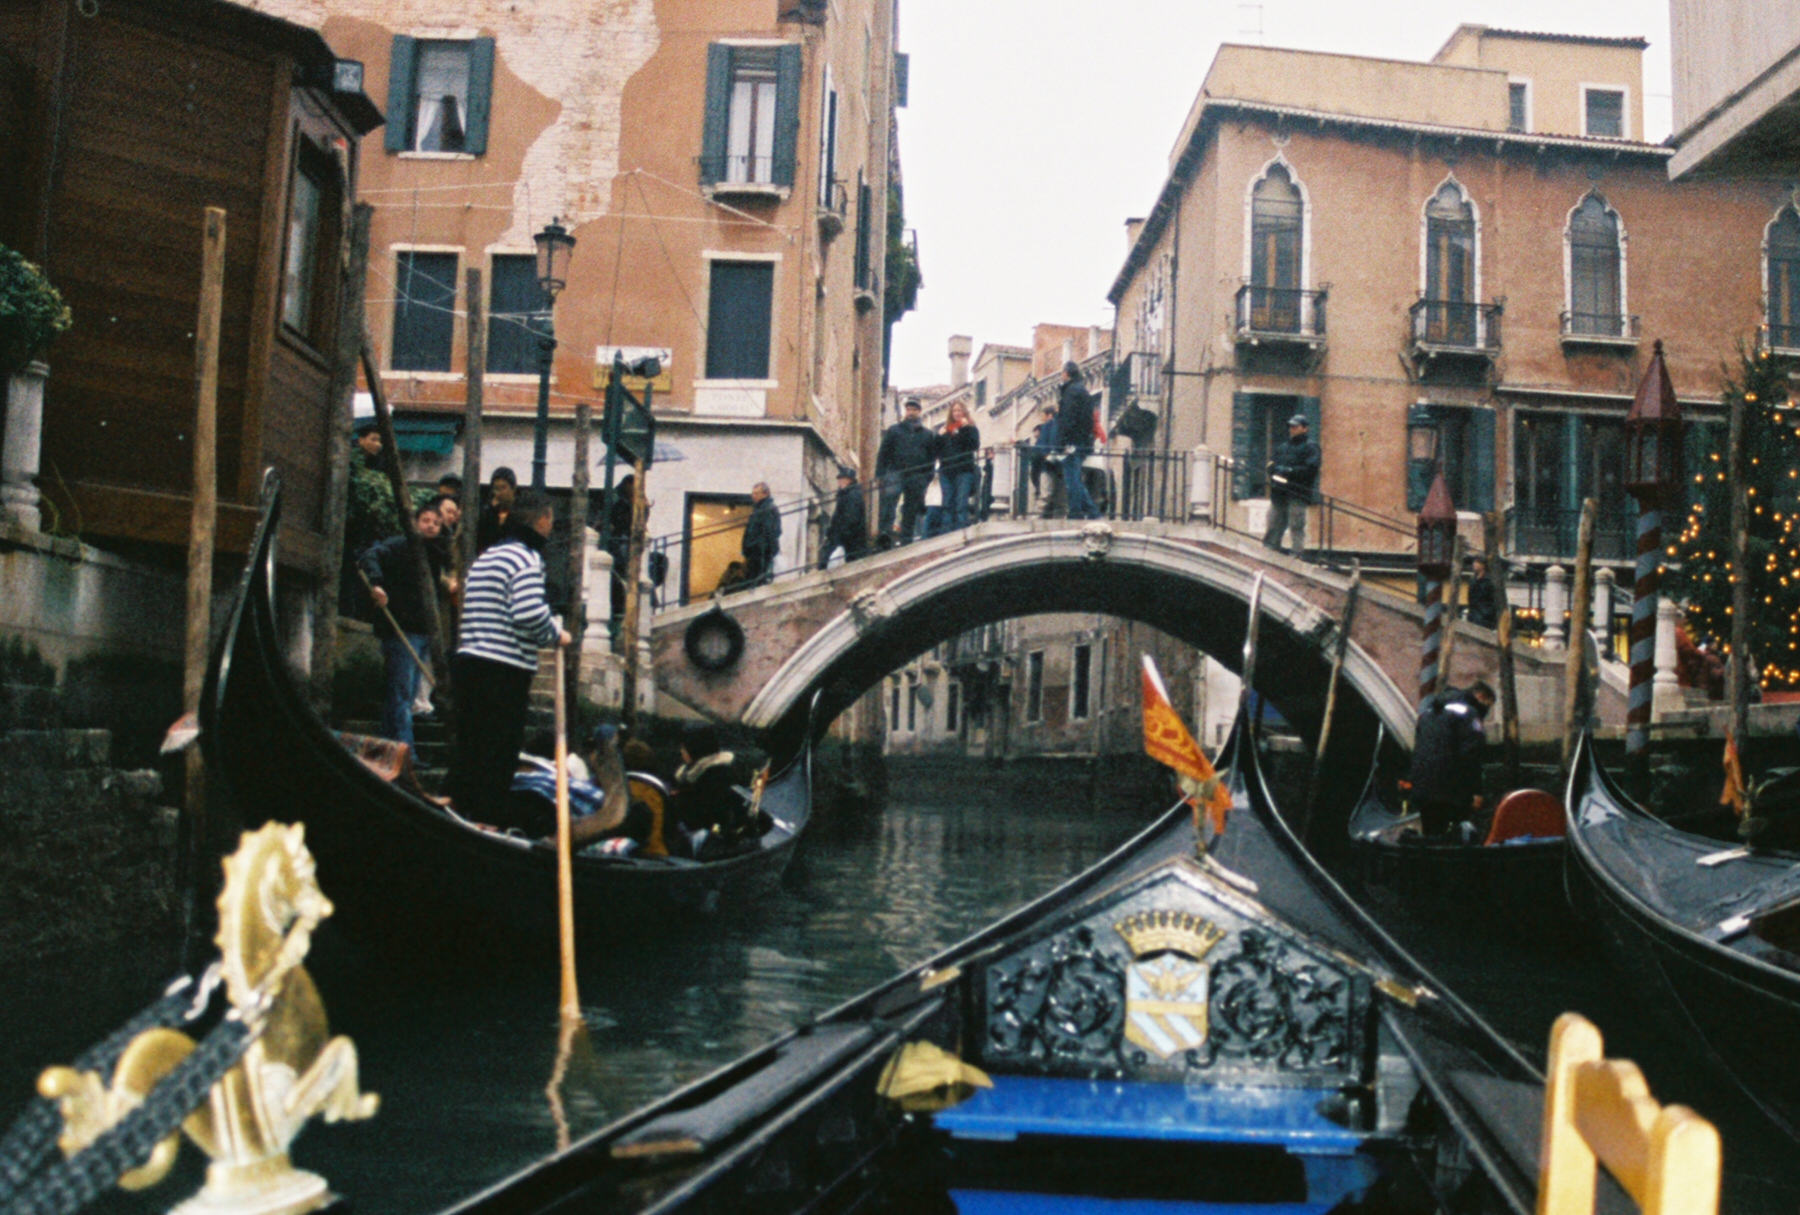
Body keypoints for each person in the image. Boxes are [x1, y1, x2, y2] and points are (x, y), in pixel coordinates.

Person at [446, 491, 571, 826]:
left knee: (471, 747)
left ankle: (457, 809)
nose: (551, 526)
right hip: (503, 670)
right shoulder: (526, 558)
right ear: (543, 519)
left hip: (469, 663)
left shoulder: (487, 556)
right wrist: (556, 634)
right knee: (499, 753)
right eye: (551, 520)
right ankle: (485, 821)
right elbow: (528, 612)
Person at [358, 500, 449, 746]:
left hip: (423, 630)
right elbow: (369, 556)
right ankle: (405, 750)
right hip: (401, 629)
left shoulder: (435, 553)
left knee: (405, 696)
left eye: (436, 523)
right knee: (401, 693)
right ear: (415, 522)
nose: (431, 526)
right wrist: (377, 584)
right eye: (426, 521)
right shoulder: (400, 545)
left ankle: (392, 747)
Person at [1409, 681, 1495, 837]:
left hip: (1422, 787)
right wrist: (1475, 791)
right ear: (1481, 696)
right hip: (1451, 790)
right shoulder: (1469, 714)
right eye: (1487, 706)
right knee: (1459, 835)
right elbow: (1471, 755)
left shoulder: (1429, 712)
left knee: (1431, 834)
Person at [673, 722, 749, 848]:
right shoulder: (689, 773)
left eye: (684, 747)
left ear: (694, 748)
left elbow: (703, 815)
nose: (681, 751)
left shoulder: (715, 776)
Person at [876, 398, 936, 544]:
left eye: (914, 410)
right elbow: (883, 453)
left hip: (916, 475)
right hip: (895, 471)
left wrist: (926, 478)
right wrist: (879, 475)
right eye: (908, 409)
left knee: (911, 508)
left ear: (919, 412)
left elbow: (931, 459)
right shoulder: (894, 430)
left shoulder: (927, 435)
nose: (910, 412)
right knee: (889, 500)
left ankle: (906, 538)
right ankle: (885, 533)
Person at [1263, 414, 1320, 555]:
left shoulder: (1311, 448)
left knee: (1296, 526)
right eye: (1291, 426)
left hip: (1297, 493)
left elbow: (1311, 469)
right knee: (1273, 525)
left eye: (1296, 426)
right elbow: (1271, 465)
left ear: (1305, 428)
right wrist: (1276, 471)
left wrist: (1289, 471)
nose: (1292, 429)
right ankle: (1269, 551)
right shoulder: (1283, 447)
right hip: (1279, 492)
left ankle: (1296, 554)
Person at [1054, 361, 1101, 520]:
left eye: (1062, 372)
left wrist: (1061, 443)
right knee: (1074, 478)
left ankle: (1079, 511)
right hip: (1081, 441)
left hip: (1072, 442)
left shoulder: (1072, 392)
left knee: (1072, 479)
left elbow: (1068, 419)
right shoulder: (1082, 390)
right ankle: (1090, 511)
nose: (1061, 375)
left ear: (1067, 373)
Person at [937, 401, 980, 531]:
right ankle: (947, 532)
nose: (957, 413)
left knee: (961, 503)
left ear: (964, 412)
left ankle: (961, 531)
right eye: (954, 410)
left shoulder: (971, 429)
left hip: (964, 470)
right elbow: (938, 450)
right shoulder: (946, 430)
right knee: (947, 504)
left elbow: (973, 445)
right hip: (946, 471)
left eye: (959, 410)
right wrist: (939, 436)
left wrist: (964, 429)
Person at [819, 466, 869, 569]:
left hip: (849, 539)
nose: (839, 482)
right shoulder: (846, 495)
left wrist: (838, 533)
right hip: (844, 538)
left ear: (848, 480)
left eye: (842, 479)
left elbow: (850, 519)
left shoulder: (853, 495)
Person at [740, 481, 781, 585]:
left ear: (765, 494)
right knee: (751, 580)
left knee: (756, 580)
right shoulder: (758, 509)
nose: (753, 496)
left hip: (760, 553)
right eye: (753, 493)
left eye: (757, 493)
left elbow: (771, 532)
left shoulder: (768, 509)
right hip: (755, 552)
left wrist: (757, 546)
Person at [1027, 404, 1062, 516]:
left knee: (1046, 493)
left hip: (1047, 465)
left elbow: (1042, 446)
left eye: (1043, 416)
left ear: (1049, 415)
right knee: (1049, 493)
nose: (1042, 419)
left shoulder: (1048, 426)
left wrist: (1046, 455)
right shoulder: (1052, 426)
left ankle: (1038, 514)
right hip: (1051, 464)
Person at [474, 467, 518, 554]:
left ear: (513, 489)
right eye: (497, 488)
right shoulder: (489, 513)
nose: (500, 493)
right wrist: (491, 511)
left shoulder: (519, 512)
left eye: (503, 487)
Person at [1465, 557, 1500, 630]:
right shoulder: (1473, 580)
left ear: (1483, 565)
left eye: (1477, 562)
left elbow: (1492, 599)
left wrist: (1486, 613)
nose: (1474, 564)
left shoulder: (1489, 581)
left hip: (1484, 617)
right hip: (1473, 614)